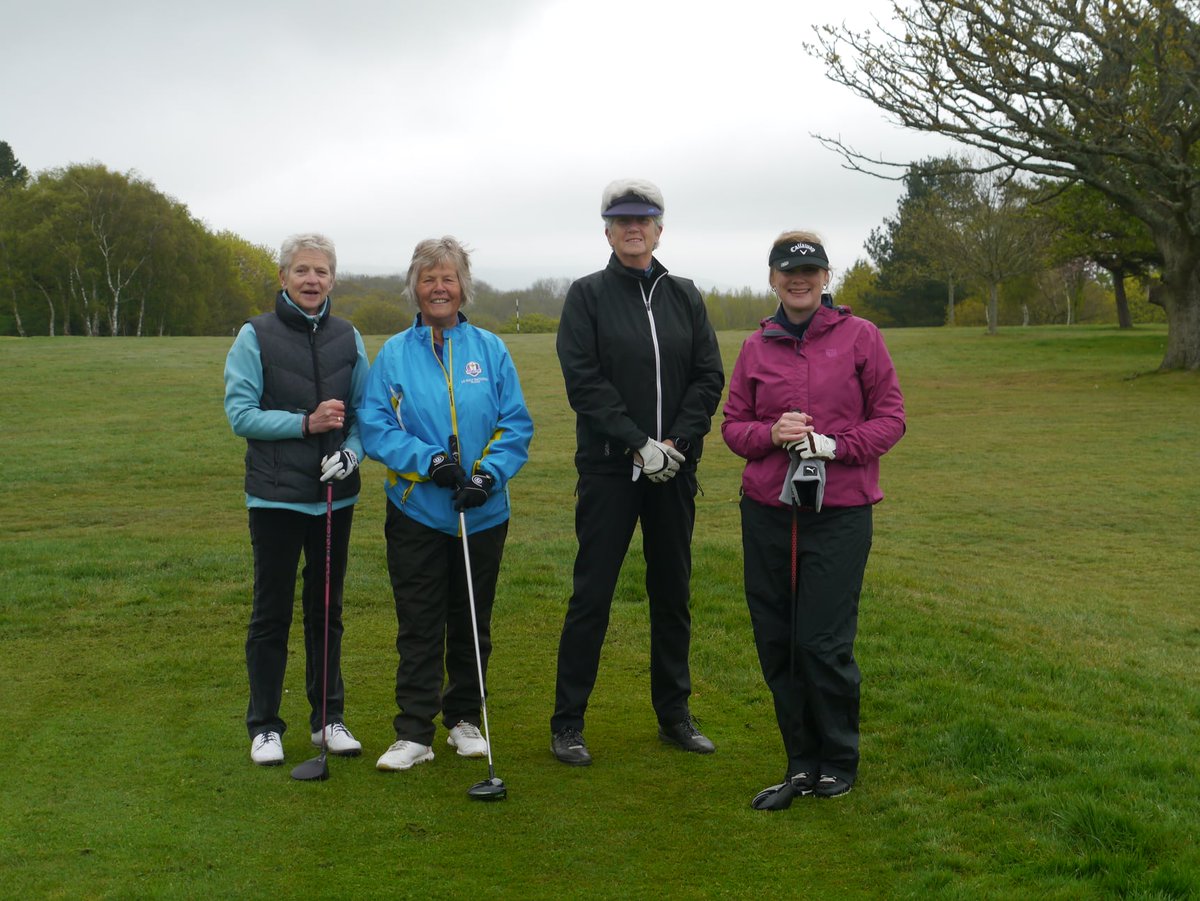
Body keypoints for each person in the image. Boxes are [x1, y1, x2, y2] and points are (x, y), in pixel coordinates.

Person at [721, 230, 906, 807]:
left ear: (827, 277)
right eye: (787, 272)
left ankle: (837, 759)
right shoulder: (757, 347)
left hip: (840, 512)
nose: (798, 281)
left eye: (810, 271)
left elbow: (891, 419)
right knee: (777, 639)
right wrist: (768, 433)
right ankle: (799, 761)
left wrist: (834, 445)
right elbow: (732, 426)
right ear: (773, 278)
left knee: (823, 642)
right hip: (769, 511)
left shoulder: (861, 337)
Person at [550, 178, 725, 766]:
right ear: (607, 230)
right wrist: (634, 444)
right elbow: (584, 381)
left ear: (658, 228)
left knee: (671, 594)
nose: (633, 228)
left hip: (674, 470)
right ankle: (568, 722)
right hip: (608, 471)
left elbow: (707, 377)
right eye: (622, 220)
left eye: (643, 219)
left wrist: (673, 442)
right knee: (592, 595)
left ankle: (674, 713)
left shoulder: (685, 295)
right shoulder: (588, 295)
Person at [360, 236, 532, 773]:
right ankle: (413, 731)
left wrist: (486, 475)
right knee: (418, 621)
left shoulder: (490, 349)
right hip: (417, 510)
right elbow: (376, 427)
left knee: (471, 619)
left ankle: (463, 718)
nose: (439, 287)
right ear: (414, 286)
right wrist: (430, 462)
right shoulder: (392, 353)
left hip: (482, 512)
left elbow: (515, 423)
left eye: (449, 278)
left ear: (463, 288)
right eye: (429, 278)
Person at [224, 232, 368, 766]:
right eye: (302, 270)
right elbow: (240, 414)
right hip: (276, 497)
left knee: (326, 610)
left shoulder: (348, 336)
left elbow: (363, 414)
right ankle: (264, 725)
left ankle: (327, 718)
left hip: (334, 497)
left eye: (322, 272)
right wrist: (306, 425)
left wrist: (351, 455)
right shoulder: (254, 335)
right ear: (284, 277)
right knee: (271, 612)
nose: (312, 280)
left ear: (333, 279)